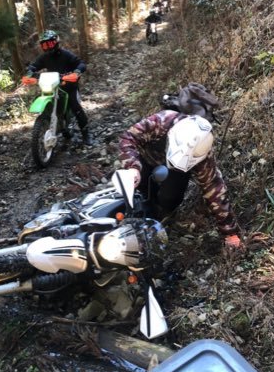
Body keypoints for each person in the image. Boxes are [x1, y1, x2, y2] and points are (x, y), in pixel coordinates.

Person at [119, 111, 244, 255]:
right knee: (140, 191)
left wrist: (230, 232)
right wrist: (132, 167)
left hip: (175, 174)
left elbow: (214, 190)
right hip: (145, 162)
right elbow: (128, 138)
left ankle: (160, 215)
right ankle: (143, 206)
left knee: (169, 198)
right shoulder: (161, 122)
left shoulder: (203, 156)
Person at [26, 30, 93, 146]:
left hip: (69, 87)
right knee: (47, 105)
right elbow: (34, 65)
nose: (47, 47)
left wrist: (76, 72)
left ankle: (86, 135)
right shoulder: (44, 57)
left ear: (56, 42)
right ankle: (53, 125)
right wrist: (30, 71)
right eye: (44, 45)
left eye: (50, 44)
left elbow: (81, 63)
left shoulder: (66, 54)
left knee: (76, 108)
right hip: (52, 86)